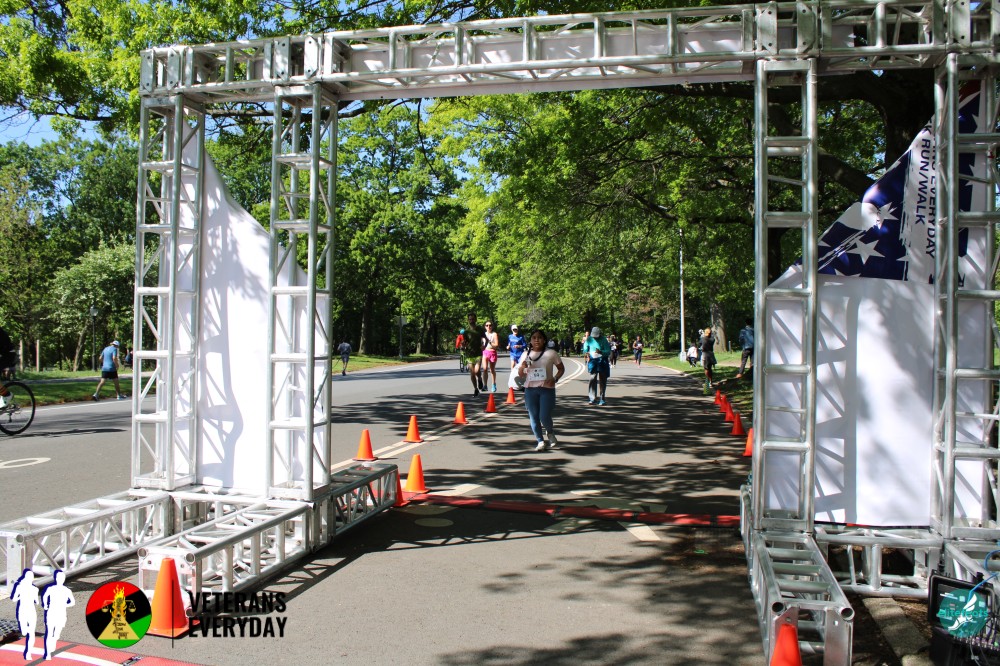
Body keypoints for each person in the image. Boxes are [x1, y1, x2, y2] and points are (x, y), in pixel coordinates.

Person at [515, 329, 565, 452]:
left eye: (539, 337)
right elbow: (520, 374)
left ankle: (550, 432)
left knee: (544, 416)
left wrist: (555, 379)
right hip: (530, 389)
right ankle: (540, 441)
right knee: (533, 416)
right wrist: (523, 367)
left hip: (546, 389)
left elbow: (561, 369)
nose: (536, 340)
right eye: (534, 337)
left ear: (544, 340)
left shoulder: (551, 353)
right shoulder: (525, 354)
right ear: (530, 341)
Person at [42, 569, 74, 660]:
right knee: (49, 632)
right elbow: (45, 596)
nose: (61, 579)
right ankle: (47, 653)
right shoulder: (51, 589)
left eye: (62, 578)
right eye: (59, 578)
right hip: (51, 612)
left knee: (56, 634)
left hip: (61, 613)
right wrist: (45, 605)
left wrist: (65, 605)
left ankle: (53, 642)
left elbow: (72, 602)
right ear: (56, 578)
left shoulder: (67, 590)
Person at [10, 569, 39, 659]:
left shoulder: (23, 587)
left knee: (28, 632)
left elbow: (14, 599)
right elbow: (37, 602)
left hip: (26, 610)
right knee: (27, 632)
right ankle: (28, 650)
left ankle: (28, 652)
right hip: (27, 610)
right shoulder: (32, 589)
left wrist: (21, 596)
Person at [583, 326, 612, 406]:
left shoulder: (603, 339)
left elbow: (608, 351)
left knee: (603, 380)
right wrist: (587, 353)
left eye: (596, 336)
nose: (595, 337)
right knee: (592, 378)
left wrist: (601, 352)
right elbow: (585, 348)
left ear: (599, 334)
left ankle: (602, 399)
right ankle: (592, 398)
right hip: (593, 360)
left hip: (602, 360)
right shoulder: (589, 339)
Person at [463, 313, 486, 397]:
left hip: (478, 353)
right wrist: (463, 345)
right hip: (469, 354)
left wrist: (484, 346)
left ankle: (479, 379)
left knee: (477, 371)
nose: (471, 320)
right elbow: (465, 342)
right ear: (468, 320)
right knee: (472, 373)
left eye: (473, 319)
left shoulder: (480, 329)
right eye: (470, 319)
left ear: (475, 319)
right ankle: (476, 389)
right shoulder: (466, 331)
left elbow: (485, 339)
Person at [482, 321, 500, 392]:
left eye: (490, 325)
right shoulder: (483, 334)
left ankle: (493, 384)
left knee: (492, 370)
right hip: (485, 352)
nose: (488, 327)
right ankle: (485, 385)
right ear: (485, 327)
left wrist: (490, 342)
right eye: (487, 325)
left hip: (492, 352)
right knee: (485, 369)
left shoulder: (494, 334)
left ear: (492, 326)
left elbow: (496, 345)